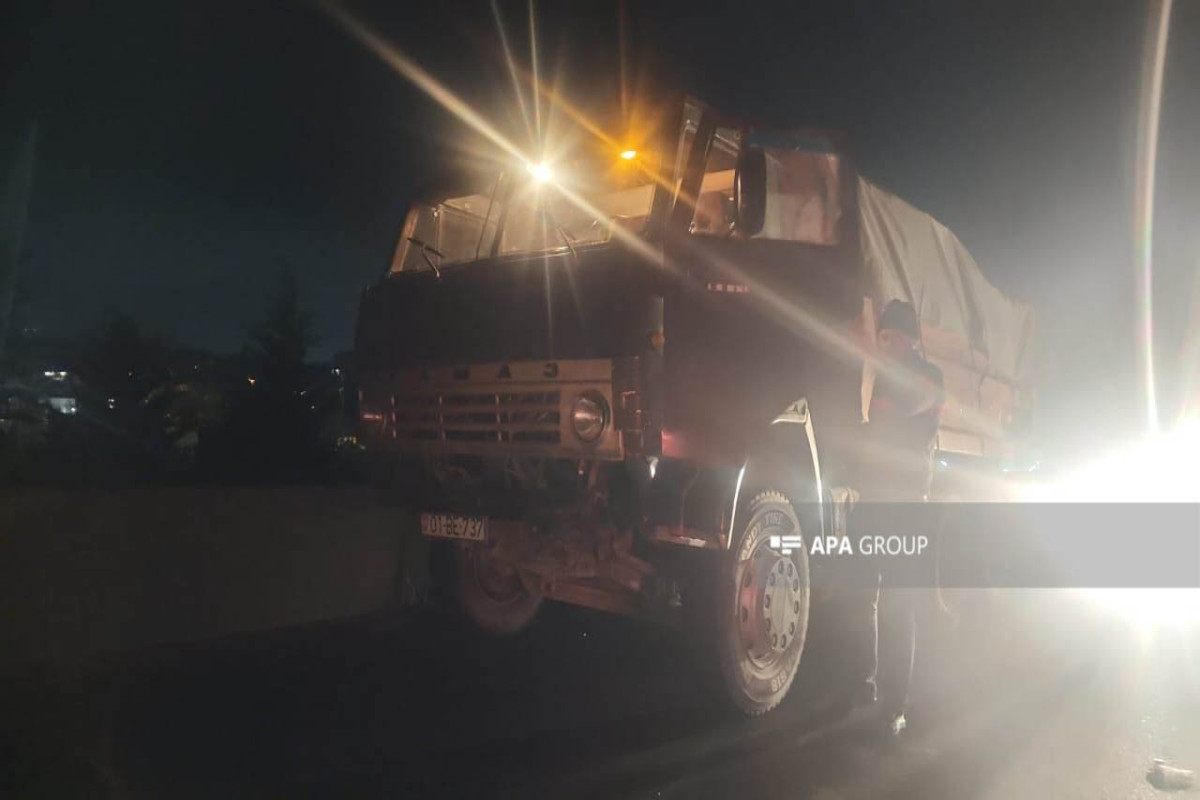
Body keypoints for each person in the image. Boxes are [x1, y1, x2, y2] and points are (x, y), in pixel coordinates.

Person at [848, 299, 945, 737]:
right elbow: (874, 427)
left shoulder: (928, 377)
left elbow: (899, 418)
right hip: (874, 500)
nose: (885, 344)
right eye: (882, 336)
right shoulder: (884, 376)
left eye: (892, 337)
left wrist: (877, 422)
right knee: (863, 596)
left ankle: (895, 705)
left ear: (910, 340)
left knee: (898, 605)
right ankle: (863, 682)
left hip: (906, 505)